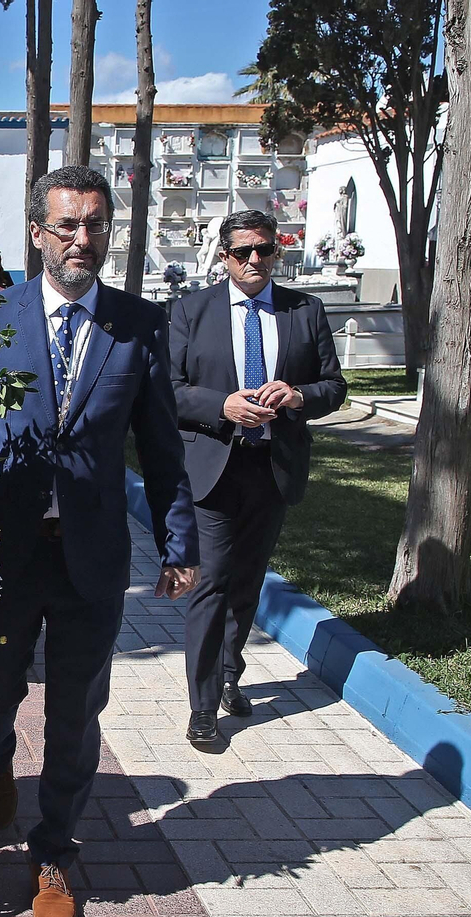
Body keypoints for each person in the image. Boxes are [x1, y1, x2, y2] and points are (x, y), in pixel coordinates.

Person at [0, 166, 199, 917]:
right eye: (66, 225)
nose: (82, 239)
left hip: (92, 559)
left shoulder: (139, 324)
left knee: (76, 712)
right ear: (36, 233)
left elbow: (161, 446)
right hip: (3, 554)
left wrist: (178, 538)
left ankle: (55, 852)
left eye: (95, 224)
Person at [169, 209, 347, 747]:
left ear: (277, 252)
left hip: (273, 468)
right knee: (212, 580)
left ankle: (228, 675)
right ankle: (202, 707)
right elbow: (168, 389)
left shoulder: (305, 311)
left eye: (264, 250)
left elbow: (334, 386)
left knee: (246, 583)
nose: (254, 260)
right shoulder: (190, 312)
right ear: (223, 256)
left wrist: (298, 397)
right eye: (243, 251)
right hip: (213, 471)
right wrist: (221, 405)